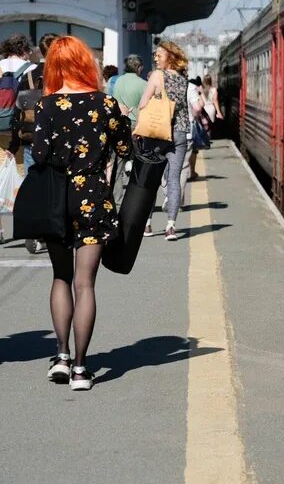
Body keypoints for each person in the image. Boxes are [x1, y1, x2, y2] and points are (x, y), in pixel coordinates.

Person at [31, 36, 132, 391]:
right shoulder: (105, 104)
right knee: (84, 283)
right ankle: (79, 368)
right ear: (84, 63)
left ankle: (59, 356)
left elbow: (40, 154)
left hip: (55, 196)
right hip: (92, 194)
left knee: (60, 277)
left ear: (53, 66)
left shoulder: (46, 105)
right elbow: (125, 146)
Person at [139, 40, 190, 241]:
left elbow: (143, 103)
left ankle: (148, 224)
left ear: (169, 56)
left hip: (159, 133)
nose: (155, 58)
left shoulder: (158, 76)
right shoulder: (182, 78)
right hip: (179, 133)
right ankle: (171, 227)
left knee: (151, 178)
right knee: (174, 179)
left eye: (159, 55)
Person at [111, 55, 148, 206]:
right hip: (138, 127)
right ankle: (137, 199)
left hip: (119, 125)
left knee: (117, 166)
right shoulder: (143, 84)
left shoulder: (117, 82)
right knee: (140, 164)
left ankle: (117, 200)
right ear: (139, 68)